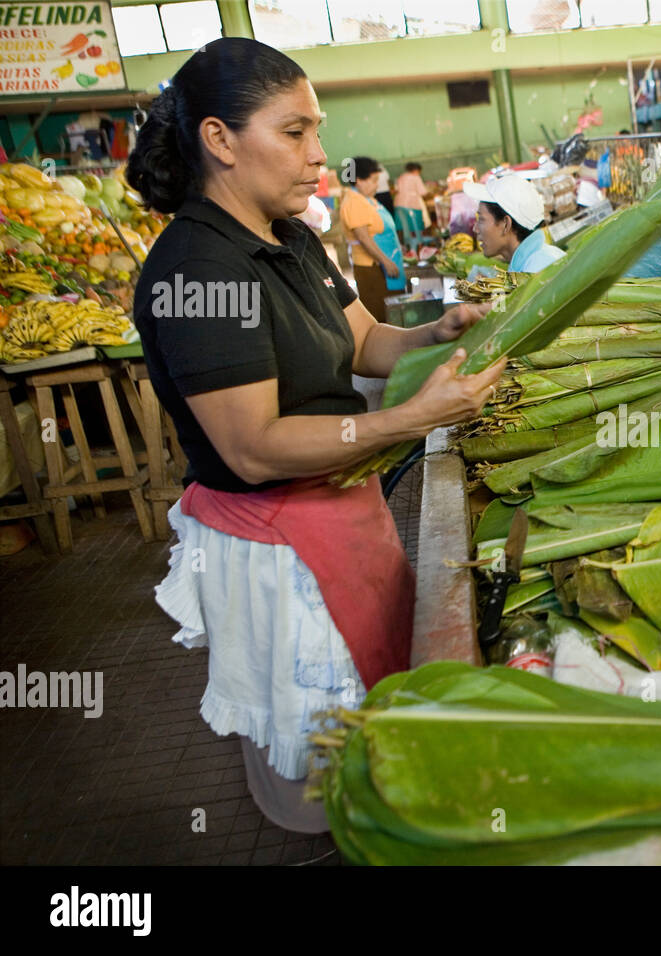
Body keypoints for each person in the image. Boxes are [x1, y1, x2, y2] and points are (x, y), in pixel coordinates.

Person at [125, 37, 504, 833]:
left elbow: (365, 343)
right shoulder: (199, 271)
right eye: (294, 132)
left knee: (375, 733)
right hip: (276, 547)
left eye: (316, 130)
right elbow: (253, 445)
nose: (319, 155)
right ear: (220, 140)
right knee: (325, 780)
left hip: (342, 509)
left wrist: (439, 330)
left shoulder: (290, 237)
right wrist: (410, 419)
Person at [339, 156, 405, 322]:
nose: (377, 185)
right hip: (371, 268)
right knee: (381, 314)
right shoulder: (354, 202)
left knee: (391, 312)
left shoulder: (366, 199)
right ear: (359, 181)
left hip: (379, 264)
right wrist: (386, 261)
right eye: (374, 180)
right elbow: (363, 238)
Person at [465, 174, 566, 273]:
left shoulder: (538, 270)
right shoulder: (528, 264)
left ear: (506, 224)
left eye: (481, 219)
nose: (475, 229)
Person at [393, 161, 430, 255]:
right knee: (416, 225)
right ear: (417, 170)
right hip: (411, 204)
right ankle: (419, 245)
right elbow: (423, 192)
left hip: (399, 204)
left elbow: (396, 189)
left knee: (404, 227)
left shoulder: (401, 177)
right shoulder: (416, 177)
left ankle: (405, 245)